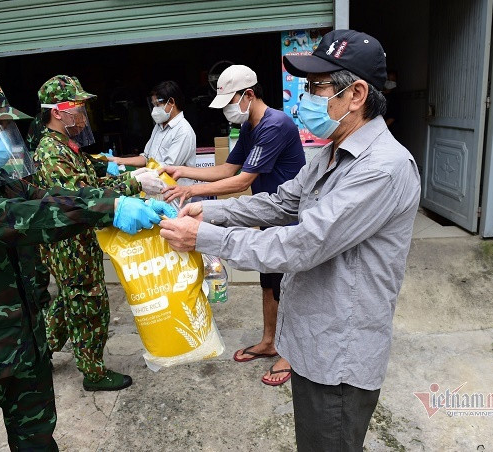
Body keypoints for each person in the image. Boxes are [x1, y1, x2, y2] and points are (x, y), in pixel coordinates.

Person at [159, 29, 421, 450]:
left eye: (316, 87)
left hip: (340, 354)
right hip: (313, 340)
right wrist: (210, 211)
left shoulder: (383, 168)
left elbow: (301, 244)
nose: (306, 97)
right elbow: (281, 203)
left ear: (356, 94)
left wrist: (204, 238)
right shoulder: (331, 152)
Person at [0, 76, 174, 451]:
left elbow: (54, 195)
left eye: (7, 125)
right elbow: (24, 216)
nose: (4, 134)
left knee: (37, 442)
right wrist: (111, 206)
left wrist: (123, 199)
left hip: (28, 350)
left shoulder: (1, 181)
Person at [161, 64, 306, 386]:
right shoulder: (251, 128)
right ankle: (270, 341)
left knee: (291, 287)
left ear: (249, 95)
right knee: (269, 282)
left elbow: (242, 181)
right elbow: (227, 168)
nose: (227, 109)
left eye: (229, 101)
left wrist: (191, 191)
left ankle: (292, 352)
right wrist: (181, 171)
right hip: (267, 215)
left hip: (293, 218)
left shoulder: (275, 125)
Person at [32, 75, 165, 391]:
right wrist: (133, 185)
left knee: (68, 299)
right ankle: (93, 372)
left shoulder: (68, 146)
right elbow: (80, 199)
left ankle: (39, 355)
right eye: (78, 107)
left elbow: (90, 189)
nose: (84, 114)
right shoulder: (52, 151)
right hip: (69, 244)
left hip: (77, 240)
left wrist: (132, 178)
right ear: (58, 111)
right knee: (89, 304)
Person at [108, 80, 196, 185]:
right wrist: (118, 161)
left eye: (158, 104)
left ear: (171, 102)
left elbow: (167, 169)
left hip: (173, 194)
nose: (155, 109)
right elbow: (146, 158)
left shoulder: (183, 131)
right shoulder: (159, 127)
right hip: (153, 189)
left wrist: (132, 176)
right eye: (153, 105)